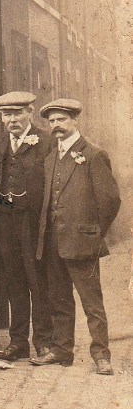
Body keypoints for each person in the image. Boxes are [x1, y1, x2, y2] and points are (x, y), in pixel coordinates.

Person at [32, 99, 121, 375]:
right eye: (52, 121)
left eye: (61, 119)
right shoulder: (51, 158)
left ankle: (101, 355)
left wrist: (93, 233)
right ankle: (62, 349)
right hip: (53, 243)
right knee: (59, 299)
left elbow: (110, 200)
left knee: (92, 302)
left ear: (74, 121)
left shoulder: (93, 154)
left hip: (82, 242)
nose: (56, 125)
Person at [0, 91, 53, 362]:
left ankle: (44, 342)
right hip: (4, 222)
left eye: (17, 113)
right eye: (7, 114)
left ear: (30, 113)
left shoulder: (46, 141)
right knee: (13, 282)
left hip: (33, 222)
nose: (12, 120)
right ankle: (18, 342)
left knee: (37, 281)